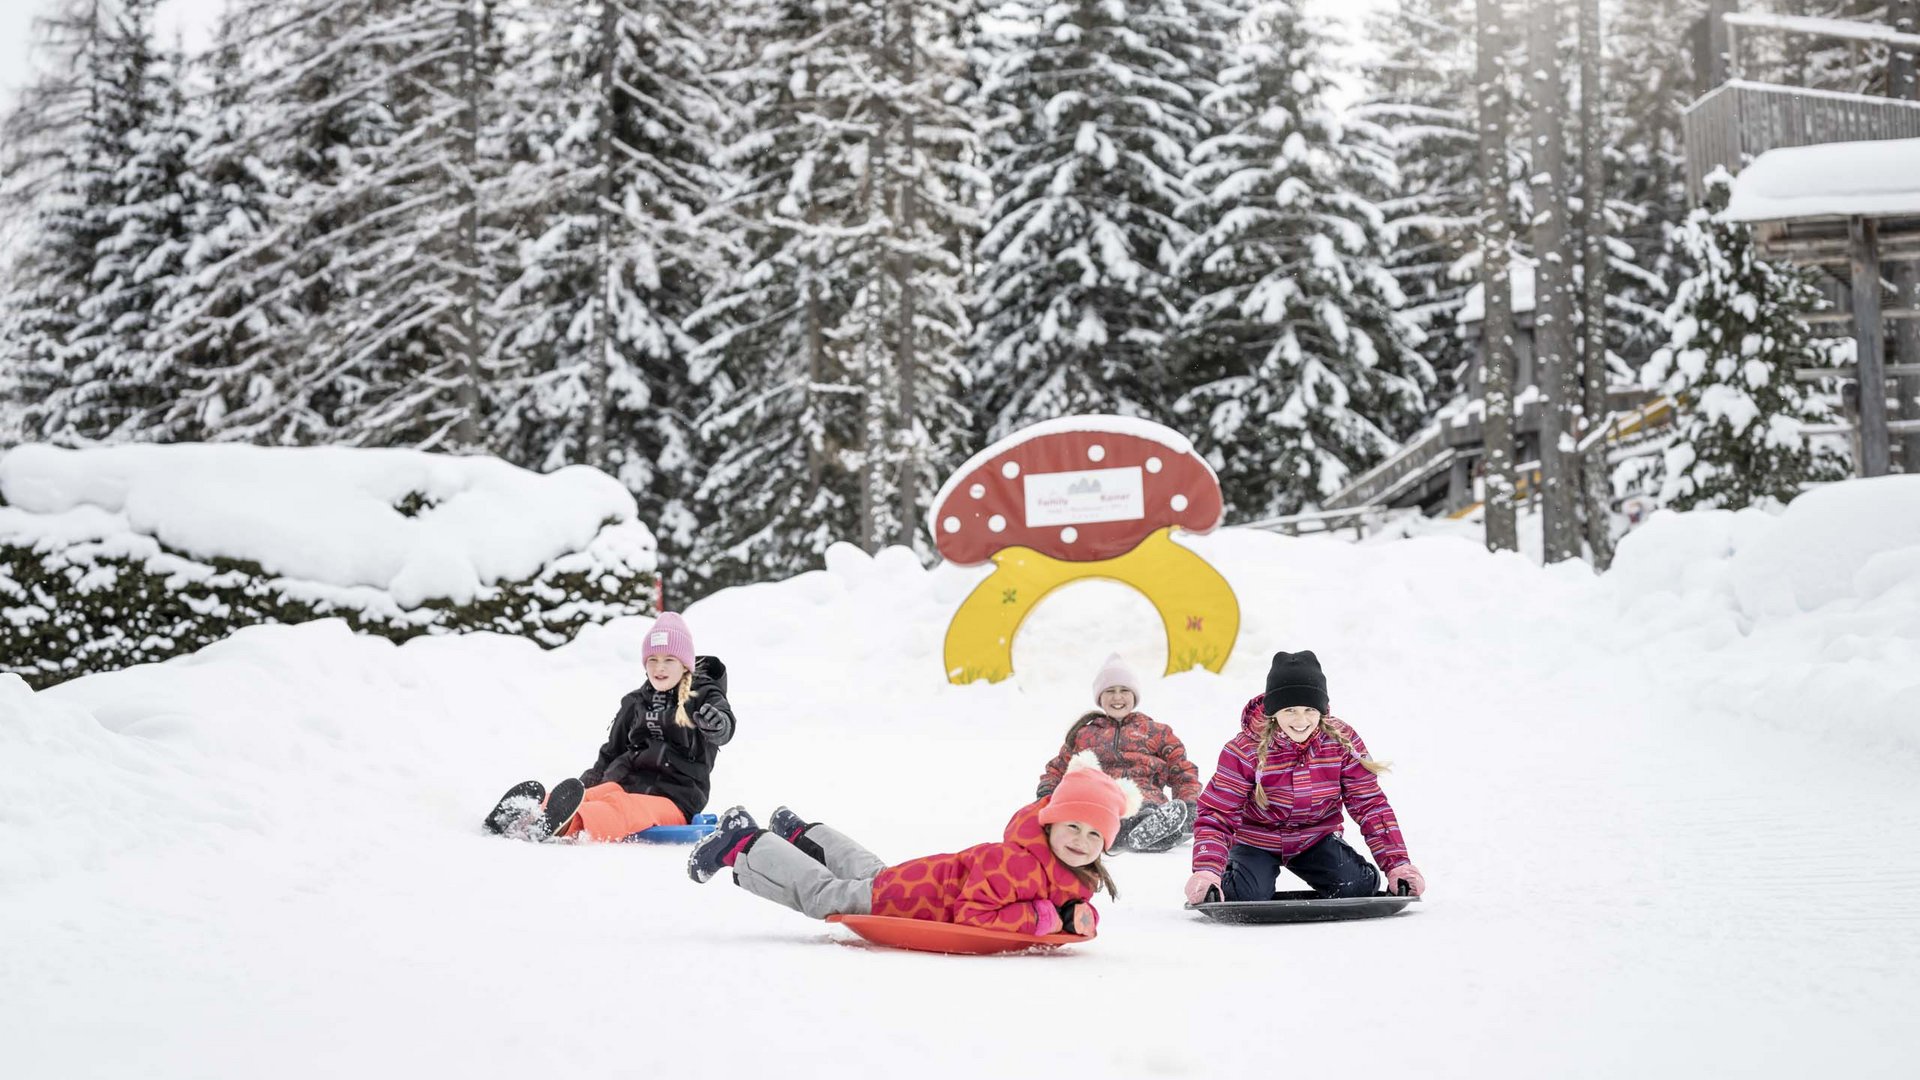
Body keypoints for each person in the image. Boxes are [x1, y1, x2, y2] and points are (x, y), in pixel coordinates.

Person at [687, 753, 1137, 936]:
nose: (1081, 841)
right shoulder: (1019, 864)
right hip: (914, 900)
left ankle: (801, 836)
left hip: (921, 885)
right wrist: (1044, 918)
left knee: (874, 874)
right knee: (827, 896)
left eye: (1095, 834)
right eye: (1072, 827)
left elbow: (1066, 902)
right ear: (1051, 824)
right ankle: (744, 843)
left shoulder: (1064, 865)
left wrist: (1075, 915)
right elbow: (973, 916)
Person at [1183, 650, 1425, 904]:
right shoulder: (1244, 750)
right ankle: (1228, 877)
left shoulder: (1340, 742)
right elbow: (1217, 813)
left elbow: (1370, 805)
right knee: (1247, 895)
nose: (1301, 720)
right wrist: (1207, 871)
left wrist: (1398, 866)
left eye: (1310, 709)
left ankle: (1354, 876)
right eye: (1290, 710)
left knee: (1358, 886)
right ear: (1273, 712)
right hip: (1256, 841)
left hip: (1315, 839)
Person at [483, 611, 736, 842]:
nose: (659, 667)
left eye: (669, 659)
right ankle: (526, 813)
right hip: (627, 783)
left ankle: (565, 824)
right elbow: (612, 751)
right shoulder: (635, 702)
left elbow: (724, 719)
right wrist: (586, 785)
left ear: (685, 665)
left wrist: (718, 724)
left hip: (675, 799)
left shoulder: (702, 695)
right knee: (601, 793)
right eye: (653, 659)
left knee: (621, 807)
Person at [1036, 653, 1201, 853]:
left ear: (1134, 696)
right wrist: (1046, 796)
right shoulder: (1085, 734)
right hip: (1101, 800)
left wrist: (1190, 804)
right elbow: (1057, 769)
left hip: (1145, 798)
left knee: (1146, 809)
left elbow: (1182, 771)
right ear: (1100, 697)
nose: (1117, 697)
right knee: (1097, 812)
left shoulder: (1156, 731)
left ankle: (1153, 827)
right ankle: (1137, 833)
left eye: (1124, 690)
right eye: (1110, 691)